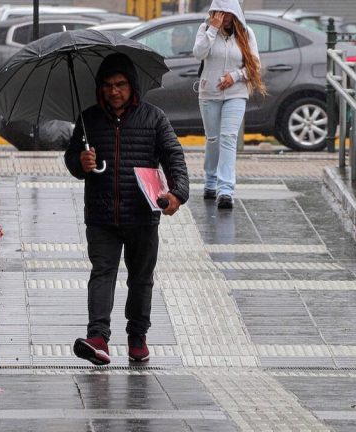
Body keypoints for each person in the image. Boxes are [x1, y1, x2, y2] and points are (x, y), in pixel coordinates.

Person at [64, 53, 190, 366]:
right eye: (107, 85)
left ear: (132, 87)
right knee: (102, 273)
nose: (114, 91)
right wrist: (81, 162)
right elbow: (72, 159)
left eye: (120, 84)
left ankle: (137, 337)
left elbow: (173, 156)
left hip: (142, 215)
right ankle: (97, 338)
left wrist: (177, 194)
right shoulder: (88, 120)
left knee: (140, 278)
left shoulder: (154, 118)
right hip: (101, 214)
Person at [193, 0, 266, 209]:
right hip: (209, 93)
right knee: (213, 139)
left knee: (228, 138)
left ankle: (226, 190)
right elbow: (198, 53)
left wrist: (235, 76)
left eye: (228, 13)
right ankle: (210, 181)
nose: (224, 16)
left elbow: (255, 65)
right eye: (220, 12)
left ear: (234, 13)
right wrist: (213, 29)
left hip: (236, 93)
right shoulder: (205, 29)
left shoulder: (245, 33)